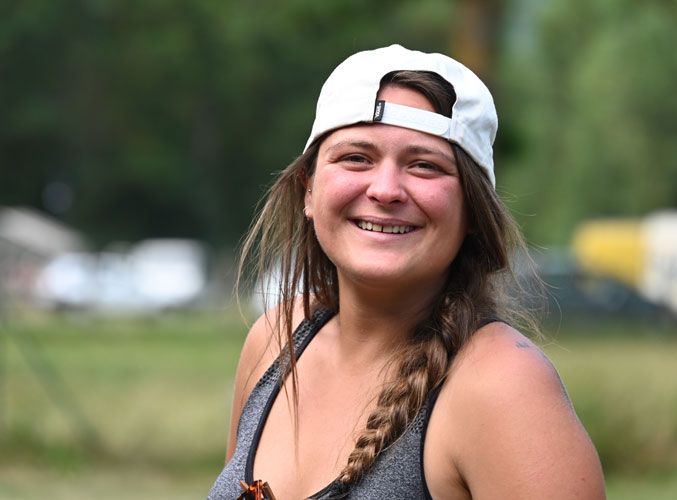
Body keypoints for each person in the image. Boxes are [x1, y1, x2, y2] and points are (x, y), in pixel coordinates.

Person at [209, 44, 605, 499]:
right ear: (309, 191)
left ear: (474, 211)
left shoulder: (503, 386)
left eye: (424, 166)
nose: (386, 189)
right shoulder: (276, 342)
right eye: (356, 157)